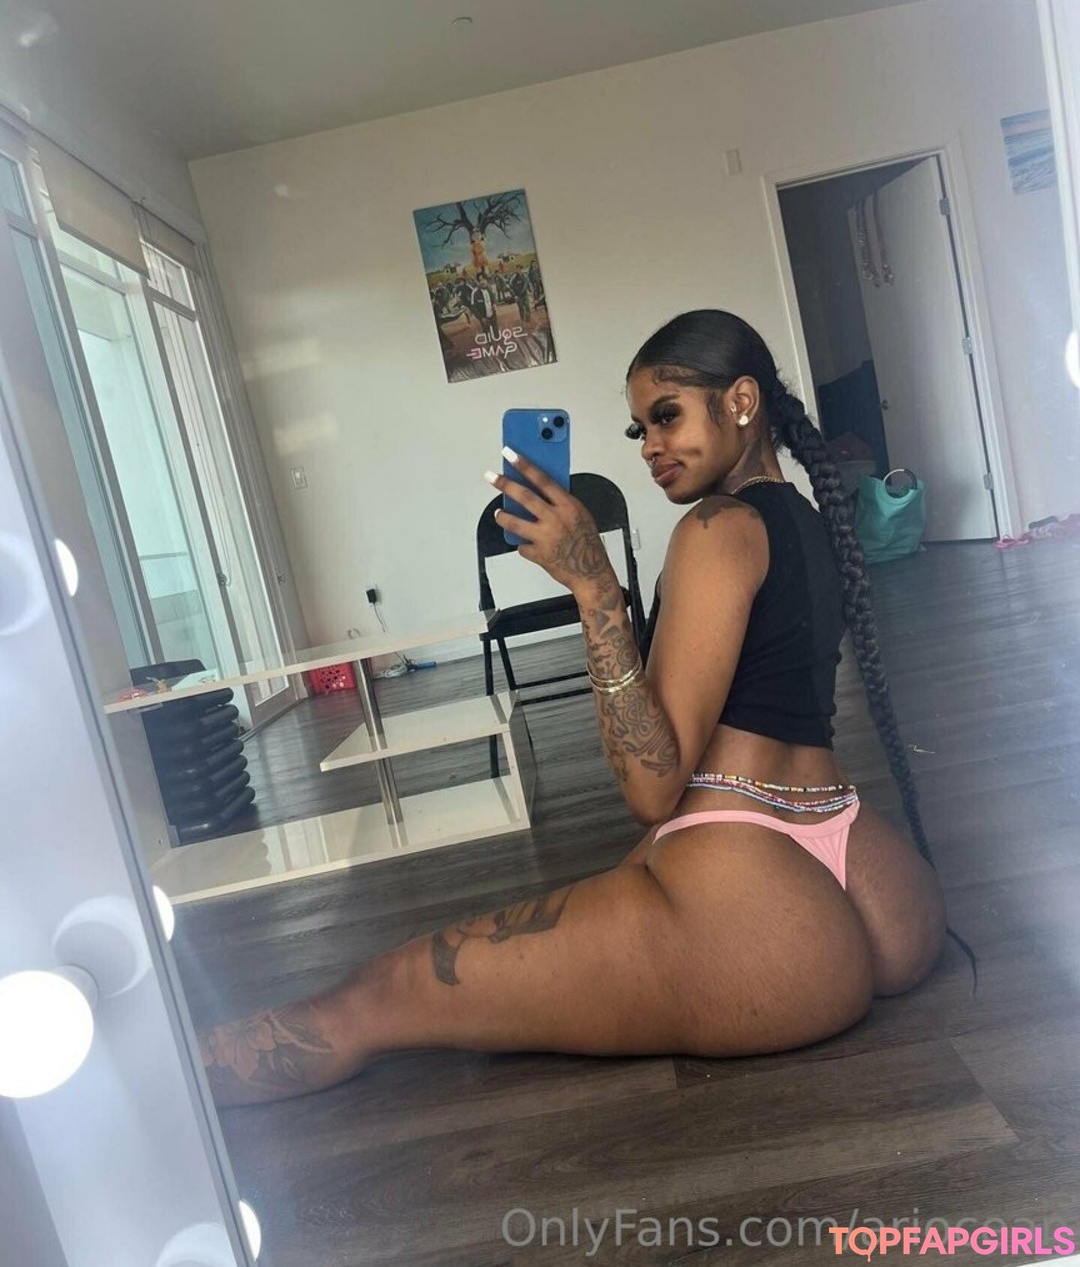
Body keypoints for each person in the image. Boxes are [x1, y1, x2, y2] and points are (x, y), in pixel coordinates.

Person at [198, 309, 950, 1107]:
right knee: (619, 883)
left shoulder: (716, 528)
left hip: (758, 906)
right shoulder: (806, 517)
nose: (651, 446)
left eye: (667, 416)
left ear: (740, 401)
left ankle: (161, 1083)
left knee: (379, 994)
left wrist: (593, 585)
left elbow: (652, 790)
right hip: (867, 869)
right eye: (639, 430)